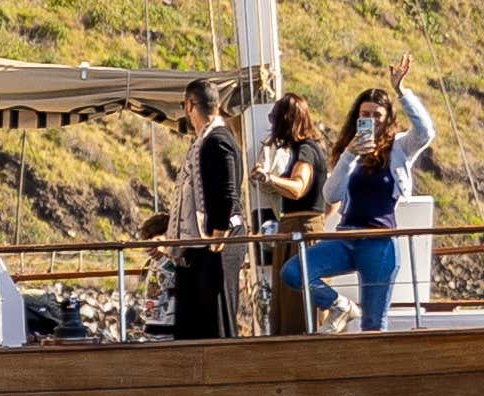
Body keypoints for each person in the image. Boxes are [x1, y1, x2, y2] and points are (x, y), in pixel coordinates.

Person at [290, 68, 435, 333]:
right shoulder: (350, 152)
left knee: (373, 325)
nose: (371, 120)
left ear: (387, 119)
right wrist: (349, 155)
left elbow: (425, 132)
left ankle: (375, 373)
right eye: (365, 115)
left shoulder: (401, 147)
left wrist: (402, 91)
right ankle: (340, 305)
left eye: (377, 115)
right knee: (293, 272)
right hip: (345, 238)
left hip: (380, 242)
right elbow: (331, 195)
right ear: (357, 118)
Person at [169, 85, 242, 340]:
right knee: (196, 317)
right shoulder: (208, 140)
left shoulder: (217, 140)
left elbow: (227, 191)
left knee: (215, 317)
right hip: (202, 242)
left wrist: (217, 236)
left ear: (190, 105)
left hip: (215, 241)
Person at [251, 93, 326, 334]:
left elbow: (298, 187)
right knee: (287, 299)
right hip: (292, 230)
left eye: (274, 118)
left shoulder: (306, 150)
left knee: (297, 302)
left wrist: (270, 178)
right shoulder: (303, 150)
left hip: (302, 232)